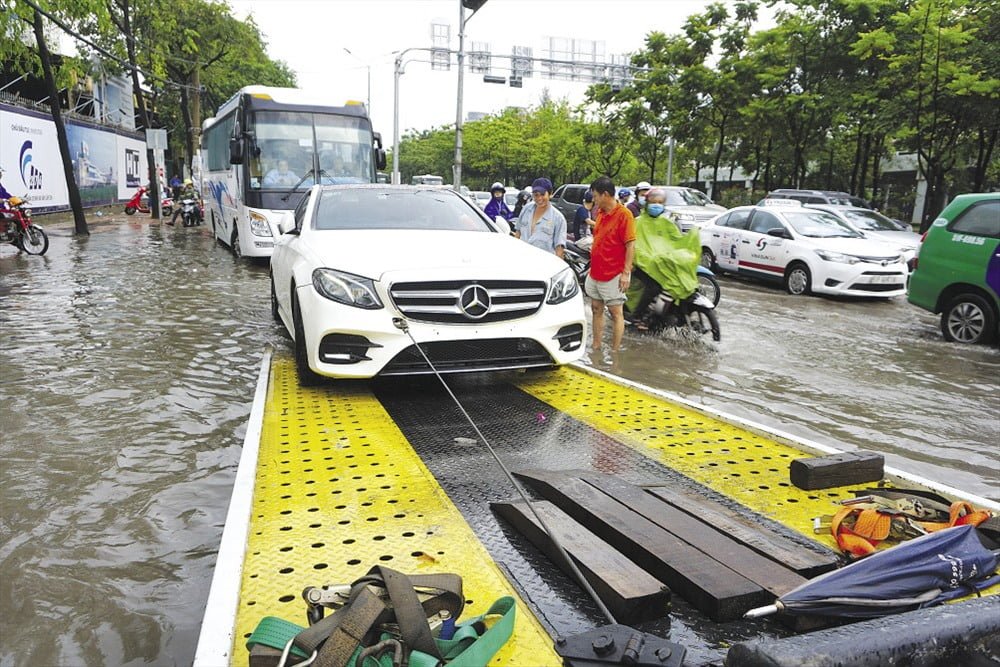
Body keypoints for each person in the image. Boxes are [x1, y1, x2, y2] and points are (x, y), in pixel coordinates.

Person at [626, 187, 701, 328]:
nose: (657, 205)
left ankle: (666, 314)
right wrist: (643, 258)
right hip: (642, 264)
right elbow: (632, 244)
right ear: (647, 203)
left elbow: (677, 241)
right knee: (654, 287)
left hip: (661, 262)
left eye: (660, 202)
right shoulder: (637, 222)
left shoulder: (667, 223)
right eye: (654, 202)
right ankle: (638, 316)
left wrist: (692, 238)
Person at [586, 176, 636, 352]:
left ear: (605, 194)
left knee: (616, 313)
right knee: (595, 308)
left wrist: (626, 273)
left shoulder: (625, 215)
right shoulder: (600, 213)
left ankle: (615, 353)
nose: (594, 200)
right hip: (596, 272)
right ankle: (596, 346)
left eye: (595, 196)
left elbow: (630, 245)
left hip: (613, 273)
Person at [514, 177, 567, 258]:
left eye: (542, 194)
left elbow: (559, 249)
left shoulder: (558, 218)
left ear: (550, 194)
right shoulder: (526, 209)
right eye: (536, 195)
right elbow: (518, 234)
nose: (539, 198)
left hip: (544, 266)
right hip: (522, 259)